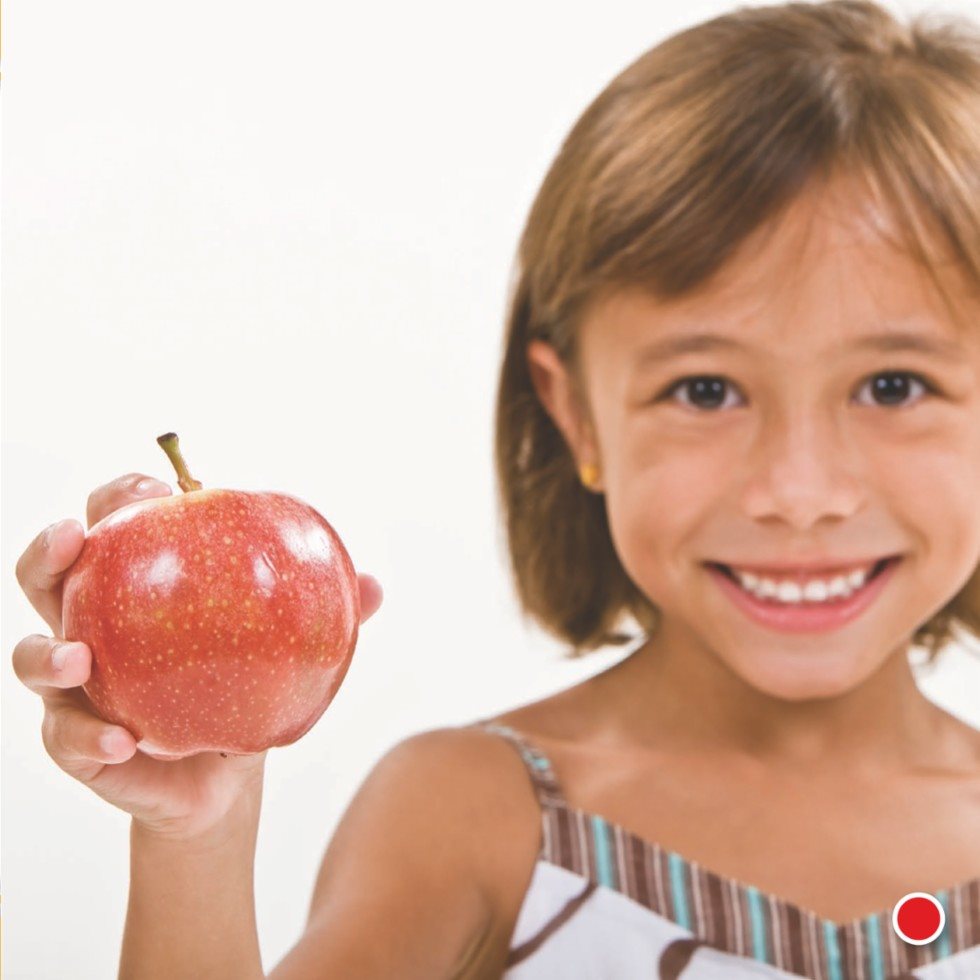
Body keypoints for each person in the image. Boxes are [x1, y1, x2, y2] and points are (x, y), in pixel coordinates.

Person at [13, 0, 980, 976]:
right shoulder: (472, 816)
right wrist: (196, 839)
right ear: (573, 414)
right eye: (704, 388)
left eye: (892, 386)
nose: (798, 490)